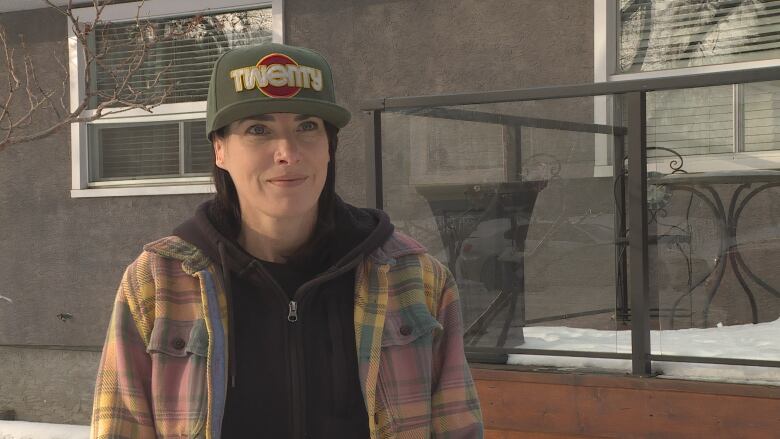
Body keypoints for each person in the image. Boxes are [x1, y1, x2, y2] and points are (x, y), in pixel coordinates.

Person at [90, 42, 483, 439]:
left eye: (307, 127)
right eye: (258, 130)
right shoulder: (158, 282)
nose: (288, 152)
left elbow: (458, 428)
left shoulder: (413, 278)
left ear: (330, 146)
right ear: (220, 149)